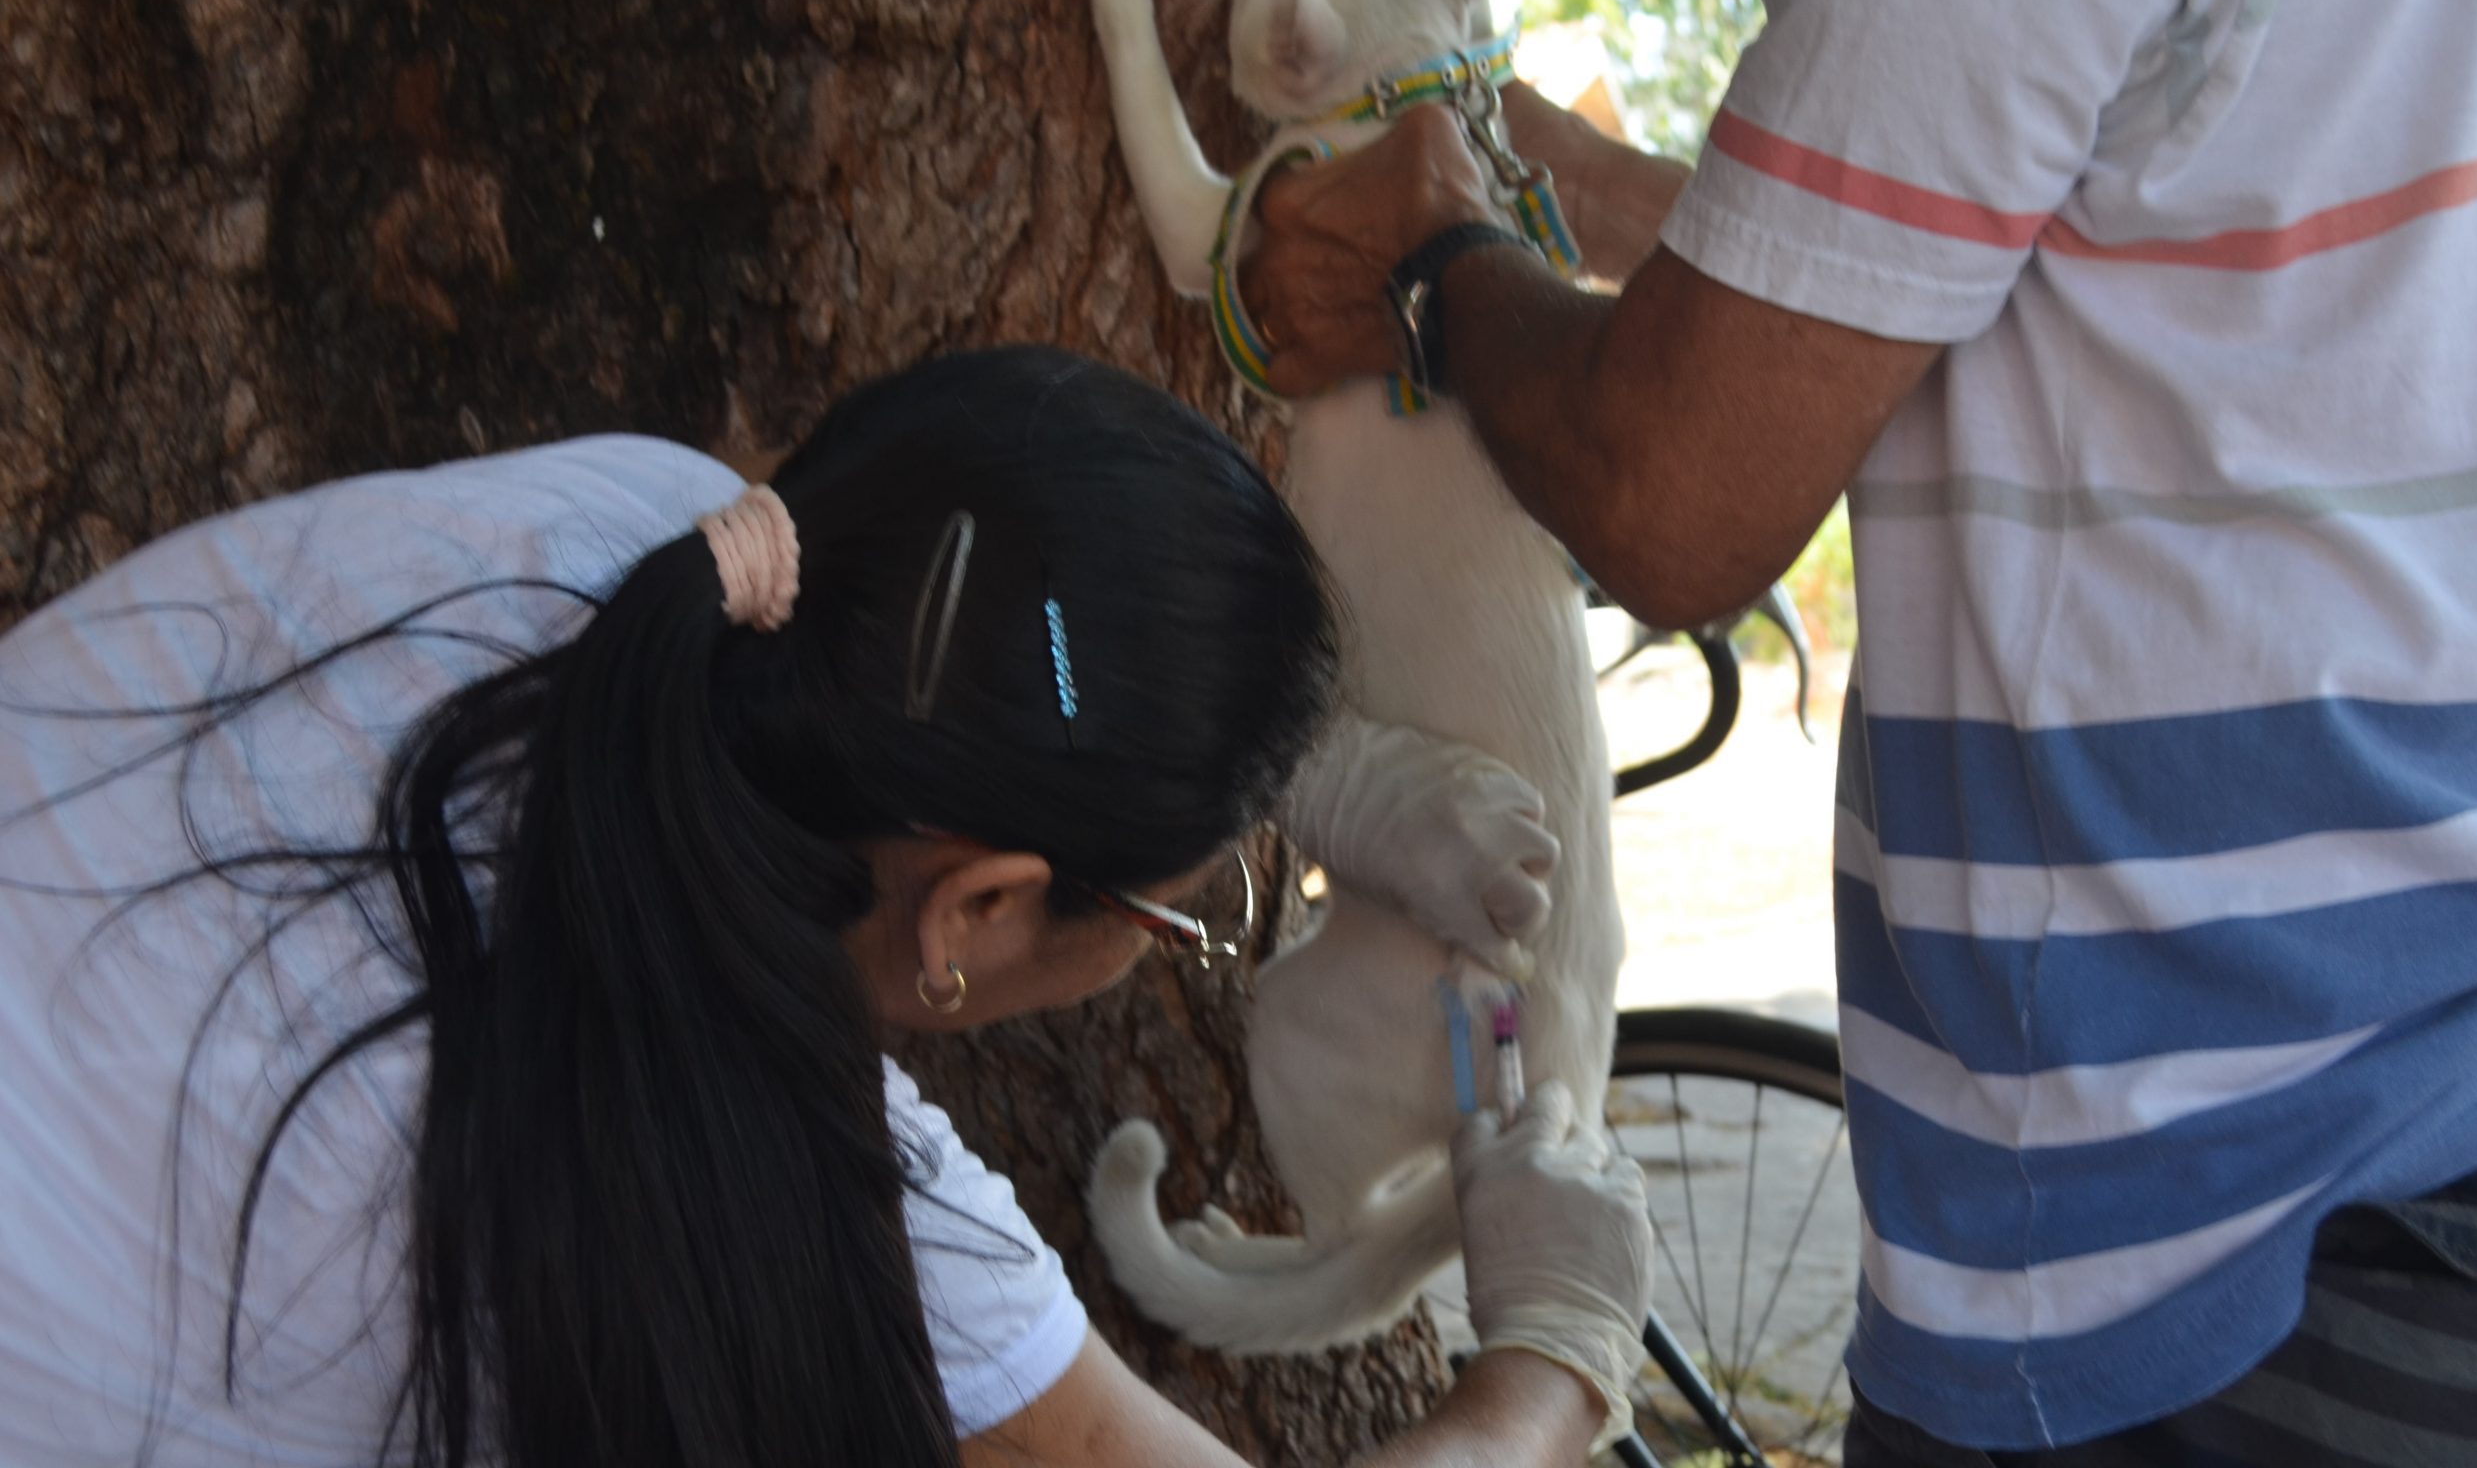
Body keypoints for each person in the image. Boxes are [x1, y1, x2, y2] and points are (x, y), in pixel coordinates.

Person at [1238, 0, 2477, 1463]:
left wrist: (1432, 262)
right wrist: (1547, 180)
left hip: (2205, 1199)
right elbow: (1944, 264)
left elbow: (1675, 497)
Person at [0, 346, 1649, 1467]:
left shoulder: (670, 534)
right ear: (978, 910)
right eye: (1178, 923)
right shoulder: (788, 1183)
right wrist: (1554, 1360)